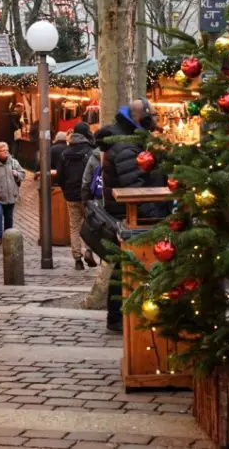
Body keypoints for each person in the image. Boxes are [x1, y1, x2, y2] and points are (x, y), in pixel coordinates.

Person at [102, 99, 168, 332]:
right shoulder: (127, 147)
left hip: (128, 214)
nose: (157, 120)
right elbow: (135, 188)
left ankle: (117, 317)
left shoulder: (129, 141)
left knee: (122, 265)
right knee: (126, 265)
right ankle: (119, 318)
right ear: (141, 118)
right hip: (130, 215)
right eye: (154, 116)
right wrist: (157, 217)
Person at [56, 123, 96, 270]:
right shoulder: (90, 151)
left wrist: (65, 189)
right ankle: (89, 251)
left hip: (71, 195)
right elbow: (94, 174)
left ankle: (77, 259)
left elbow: (60, 176)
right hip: (88, 196)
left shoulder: (65, 152)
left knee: (74, 226)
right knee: (90, 225)